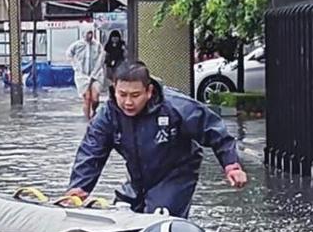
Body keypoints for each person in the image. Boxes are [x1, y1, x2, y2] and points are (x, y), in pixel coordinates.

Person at [65, 61, 247, 218]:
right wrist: (79, 188)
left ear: (149, 91)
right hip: (138, 177)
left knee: (157, 217)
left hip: (176, 174)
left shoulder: (176, 106)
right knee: (119, 214)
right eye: (122, 94)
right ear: (114, 89)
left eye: (135, 95)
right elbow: (91, 151)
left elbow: (214, 130)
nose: (128, 102)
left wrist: (231, 165)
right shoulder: (107, 115)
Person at [66, 29, 105, 120]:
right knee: (87, 98)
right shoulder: (77, 45)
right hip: (82, 75)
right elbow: (68, 54)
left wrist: (96, 71)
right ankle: (88, 119)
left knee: (95, 99)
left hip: (96, 73)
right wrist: (75, 65)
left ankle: (94, 110)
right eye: (88, 33)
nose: (90, 36)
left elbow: (102, 57)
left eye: (91, 33)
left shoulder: (97, 45)